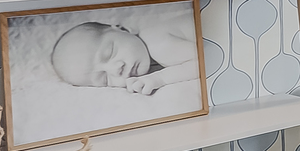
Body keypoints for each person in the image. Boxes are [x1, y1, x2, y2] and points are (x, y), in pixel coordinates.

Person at [49, 18, 200, 95]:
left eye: (110, 52)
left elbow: (208, 61)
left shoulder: (156, 41)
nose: (116, 69)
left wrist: (160, 79)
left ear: (123, 29)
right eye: (105, 79)